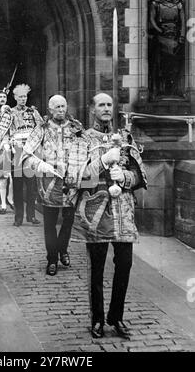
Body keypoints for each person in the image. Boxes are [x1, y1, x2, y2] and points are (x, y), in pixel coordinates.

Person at [72, 93, 147, 339]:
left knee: (124, 265)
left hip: (123, 213)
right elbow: (77, 179)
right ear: (92, 108)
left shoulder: (125, 138)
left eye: (109, 105)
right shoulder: (82, 139)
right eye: (101, 105)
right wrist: (103, 160)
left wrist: (125, 178)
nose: (106, 109)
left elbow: (140, 176)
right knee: (97, 269)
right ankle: (97, 320)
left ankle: (116, 318)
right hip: (97, 212)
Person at [22, 95, 92, 276]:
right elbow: (26, 154)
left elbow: (88, 149)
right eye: (57, 107)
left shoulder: (76, 127)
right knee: (50, 223)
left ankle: (63, 248)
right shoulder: (42, 128)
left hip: (71, 181)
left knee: (69, 219)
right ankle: (52, 258)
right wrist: (41, 165)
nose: (61, 110)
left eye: (63, 106)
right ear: (50, 109)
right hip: (50, 182)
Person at [0, 84, 43, 226]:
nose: (23, 99)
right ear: (15, 97)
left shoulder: (33, 112)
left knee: (32, 186)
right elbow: (3, 133)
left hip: (31, 152)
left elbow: (41, 129)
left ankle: (31, 216)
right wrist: (6, 145)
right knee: (18, 186)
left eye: (25, 96)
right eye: (20, 97)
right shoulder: (9, 113)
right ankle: (18, 217)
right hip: (17, 152)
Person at [149, 0, 185, 98]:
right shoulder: (155, 3)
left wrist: (182, 35)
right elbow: (152, 20)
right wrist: (160, 31)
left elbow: (183, 22)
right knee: (159, 64)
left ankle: (174, 90)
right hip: (161, 37)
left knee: (175, 65)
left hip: (175, 37)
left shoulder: (178, 4)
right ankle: (158, 90)